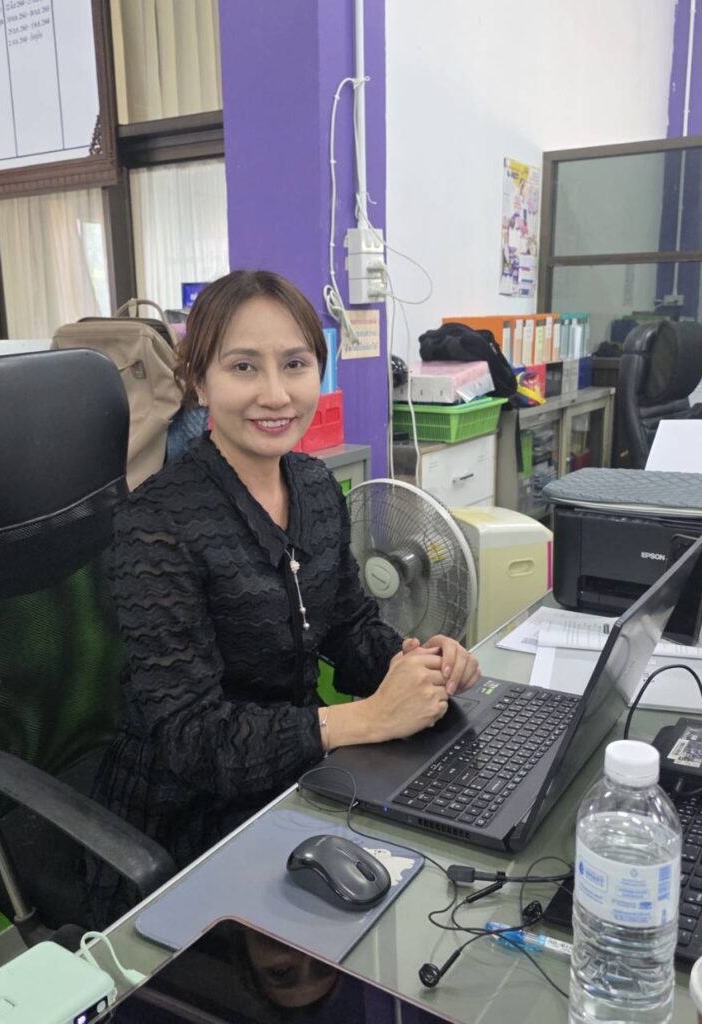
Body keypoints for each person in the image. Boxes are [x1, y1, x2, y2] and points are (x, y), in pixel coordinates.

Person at [91, 269, 479, 919]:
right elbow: (191, 738)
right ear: (199, 381)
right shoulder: (156, 523)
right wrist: (367, 719)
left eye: (295, 364)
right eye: (243, 366)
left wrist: (417, 666)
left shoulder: (315, 486)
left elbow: (348, 625)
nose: (275, 394)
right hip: (188, 816)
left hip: (299, 777)